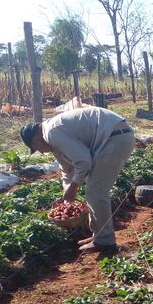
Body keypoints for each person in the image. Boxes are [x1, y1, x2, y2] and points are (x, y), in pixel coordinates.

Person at [20, 107, 135, 252]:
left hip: (114, 138)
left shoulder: (51, 133)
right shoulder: (53, 136)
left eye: (37, 148)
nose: (41, 152)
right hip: (115, 135)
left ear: (36, 138)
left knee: (95, 192)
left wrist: (73, 187)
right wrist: (66, 194)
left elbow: (84, 161)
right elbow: (67, 169)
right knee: (94, 192)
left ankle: (104, 242)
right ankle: (100, 235)